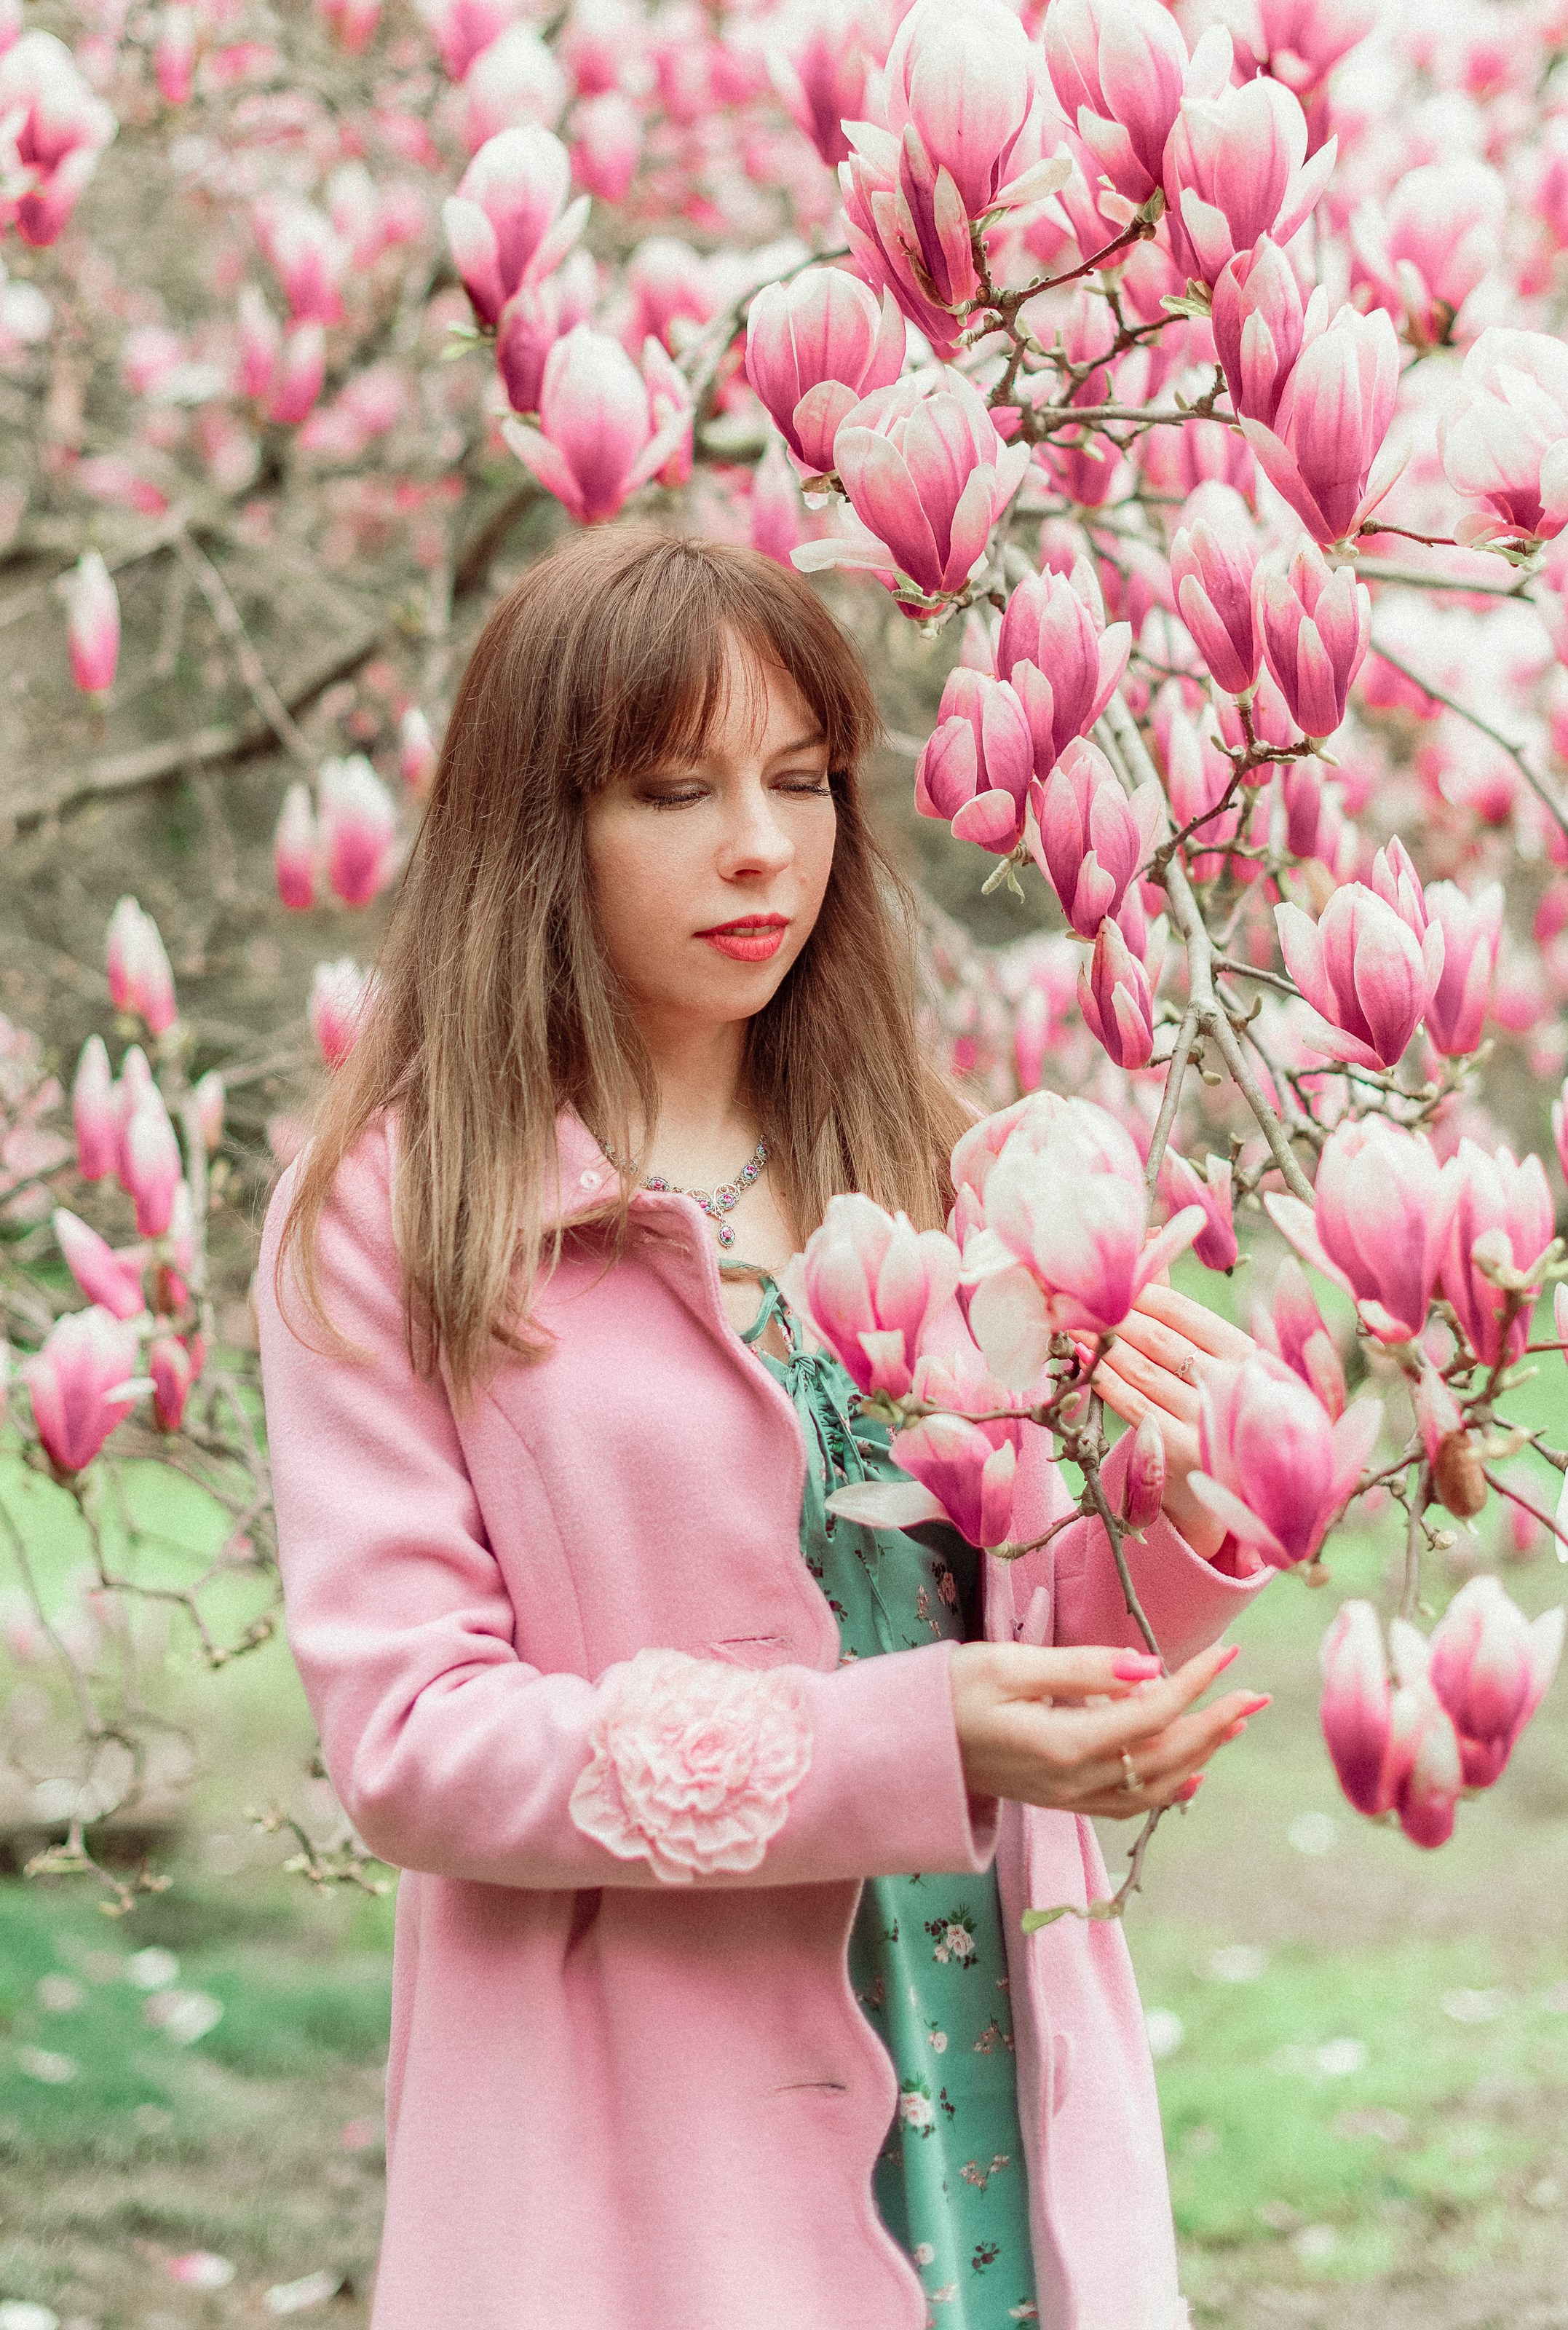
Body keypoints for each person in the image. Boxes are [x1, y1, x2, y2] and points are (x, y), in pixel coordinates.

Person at [256, 525, 1272, 2330]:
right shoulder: (404, 1209)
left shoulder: (936, 1169)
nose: (762, 847)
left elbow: (1019, 1622)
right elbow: (413, 1737)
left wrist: (1178, 1504)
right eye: (677, 790)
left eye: (802, 781)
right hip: (639, 2106)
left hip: (987, 2031)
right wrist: (898, 1740)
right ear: (538, 828)